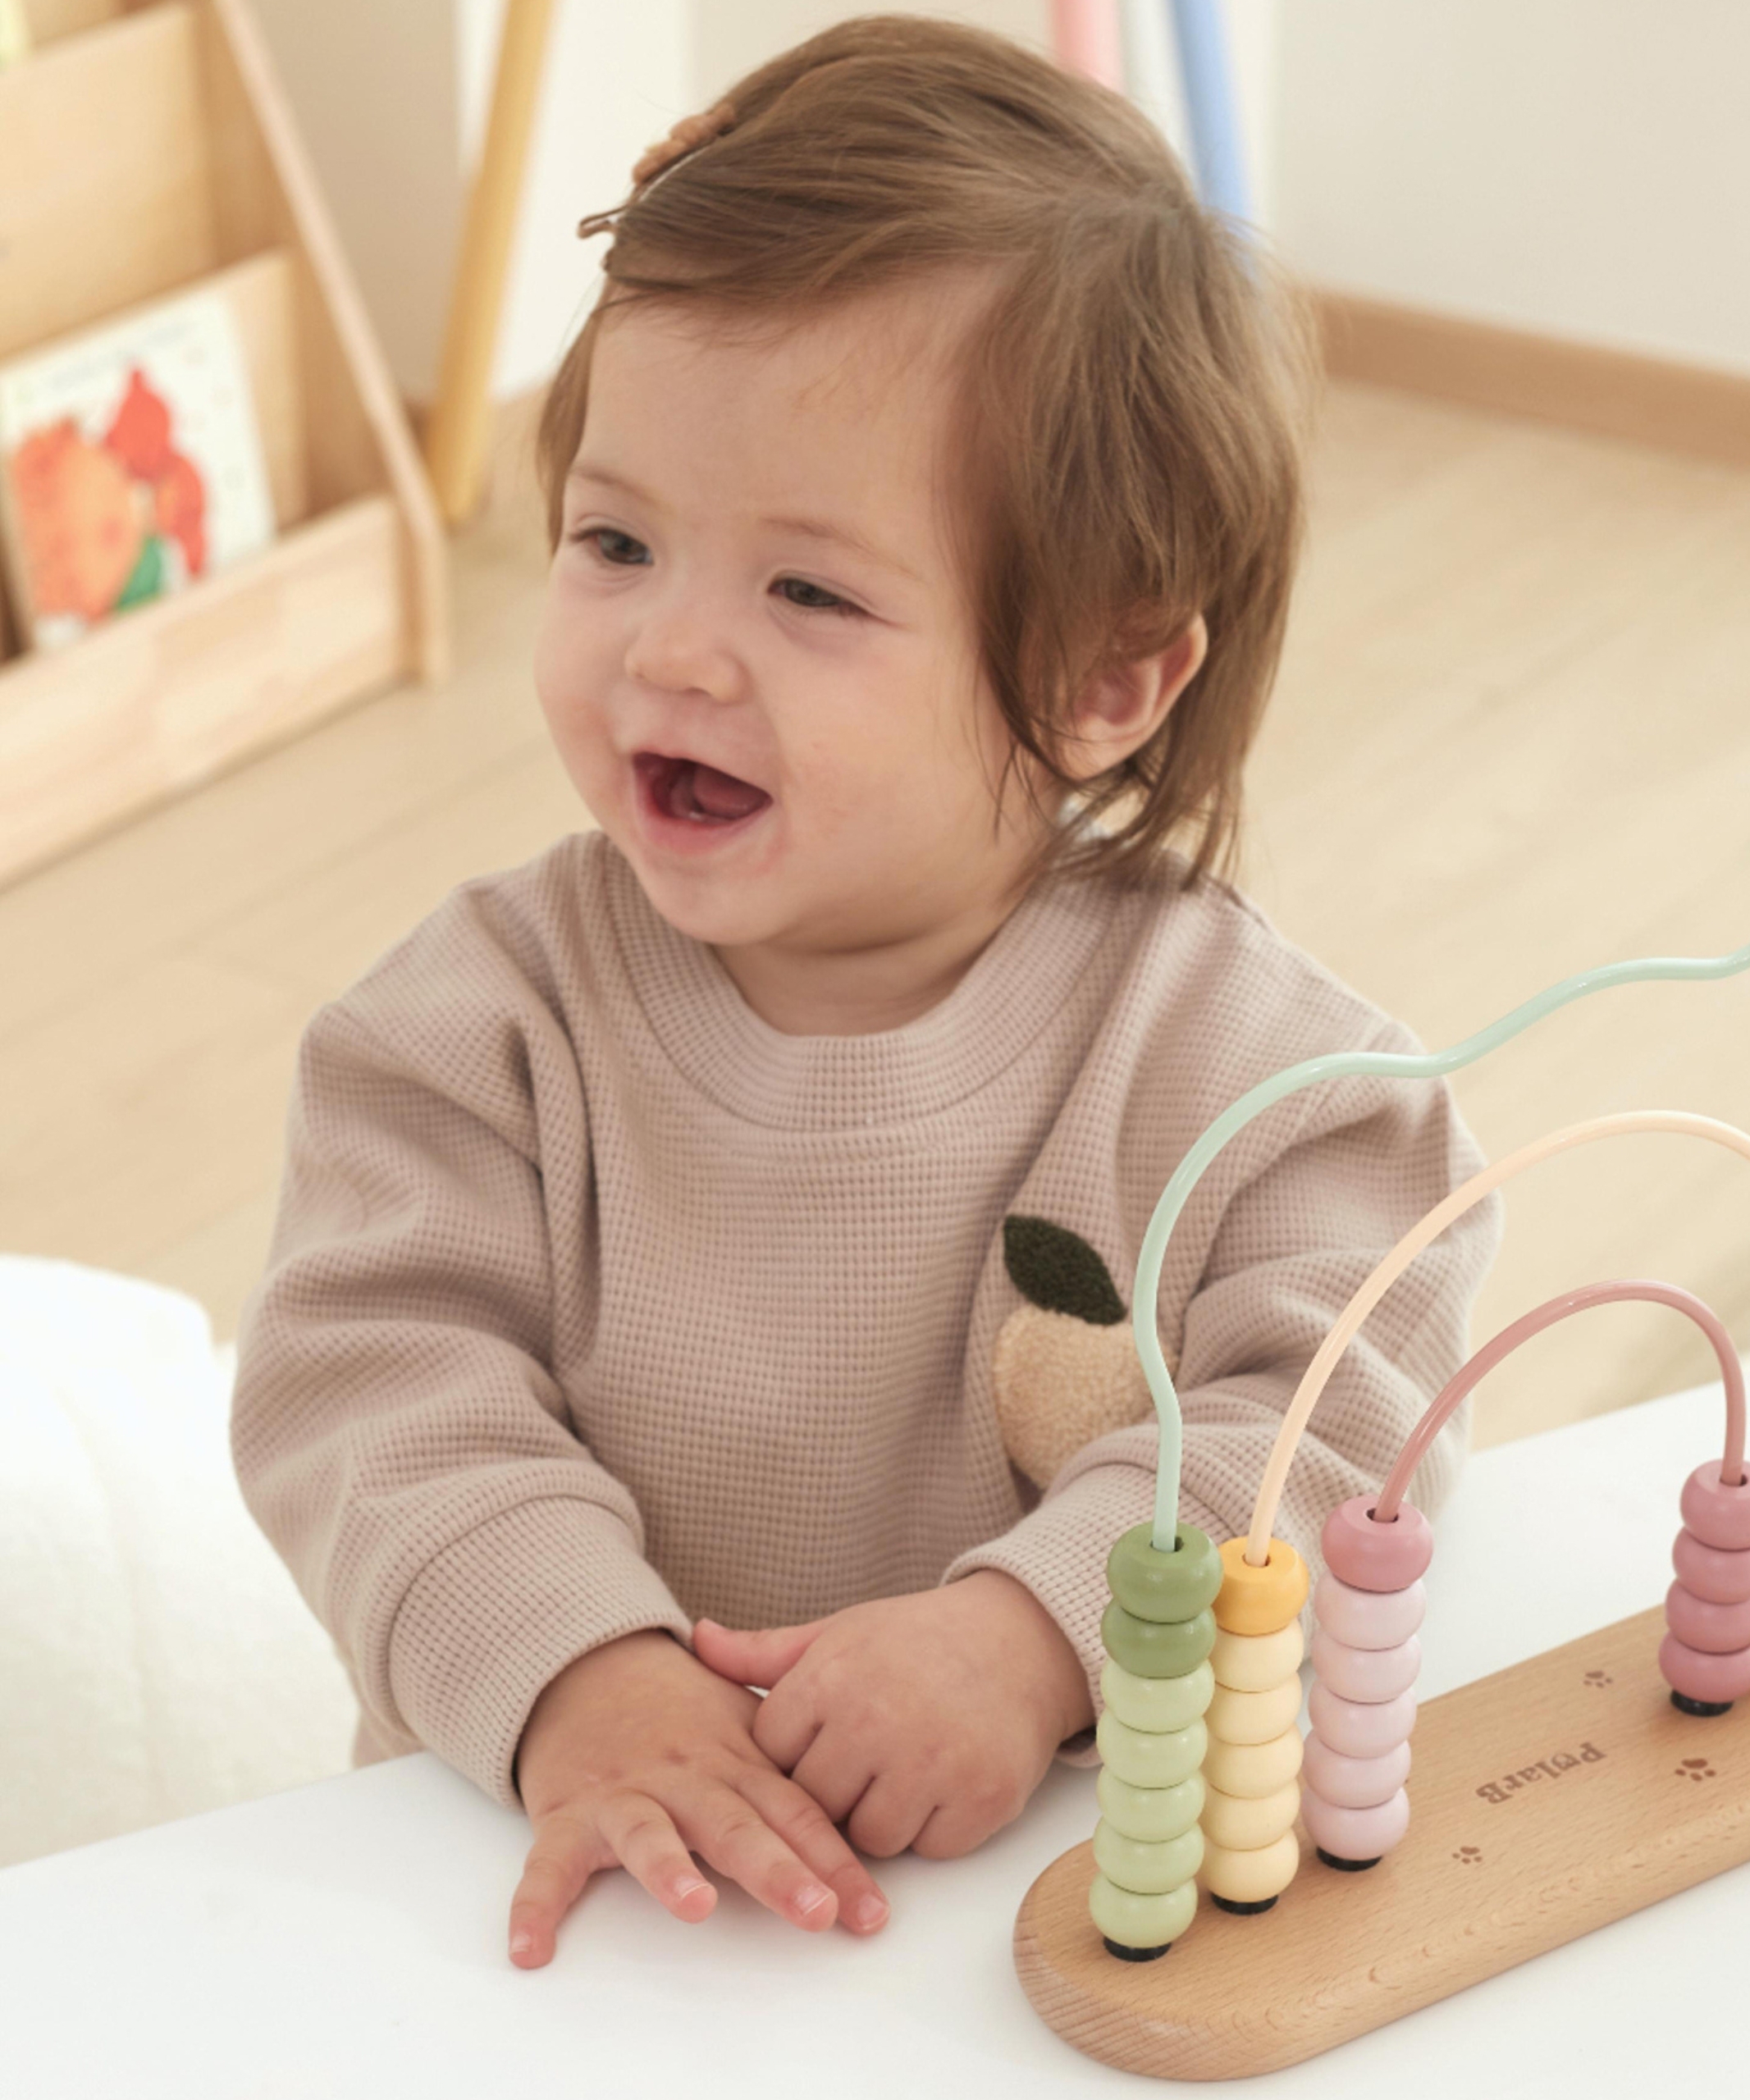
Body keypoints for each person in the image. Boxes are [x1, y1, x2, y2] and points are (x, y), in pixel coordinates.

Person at [230, 14, 1501, 1971]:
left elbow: (1342, 1407)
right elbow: (371, 1396)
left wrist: (1037, 1628)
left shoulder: (1258, 1075)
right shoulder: (467, 1038)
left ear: (1099, 679)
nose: (668, 651)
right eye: (614, 540)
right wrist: (577, 1674)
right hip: (571, 1894)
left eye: (805, 591)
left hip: (1038, 1909)